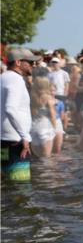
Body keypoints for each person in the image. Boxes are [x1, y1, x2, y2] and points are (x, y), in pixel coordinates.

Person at [2, 48, 37, 180]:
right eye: (30, 62)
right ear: (18, 62)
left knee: (6, 180)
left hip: (4, 140)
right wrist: (25, 137)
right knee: (20, 186)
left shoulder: (2, 78)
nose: (33, 65)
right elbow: (10, 108)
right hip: (16, 141)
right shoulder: (16, 79)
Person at [29, 76, 63, 157]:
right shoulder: (48, 98)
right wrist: (55, 128)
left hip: (33, 127)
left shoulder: (32, 97)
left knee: (36, 157)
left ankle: (37, 170)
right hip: (45, 128)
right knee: (46, 158)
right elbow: (52, 115)